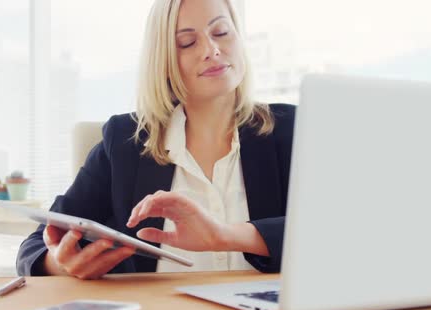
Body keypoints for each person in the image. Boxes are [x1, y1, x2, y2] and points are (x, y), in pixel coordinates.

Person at [16, 0, 295, 279]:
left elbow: (333, 229)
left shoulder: (292, 129)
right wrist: (61, 263)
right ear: (163, 60)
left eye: (221, 32)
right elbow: (36, 244)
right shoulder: (124, 141)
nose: (211, 50)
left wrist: (226, 235)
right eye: (187, 42)